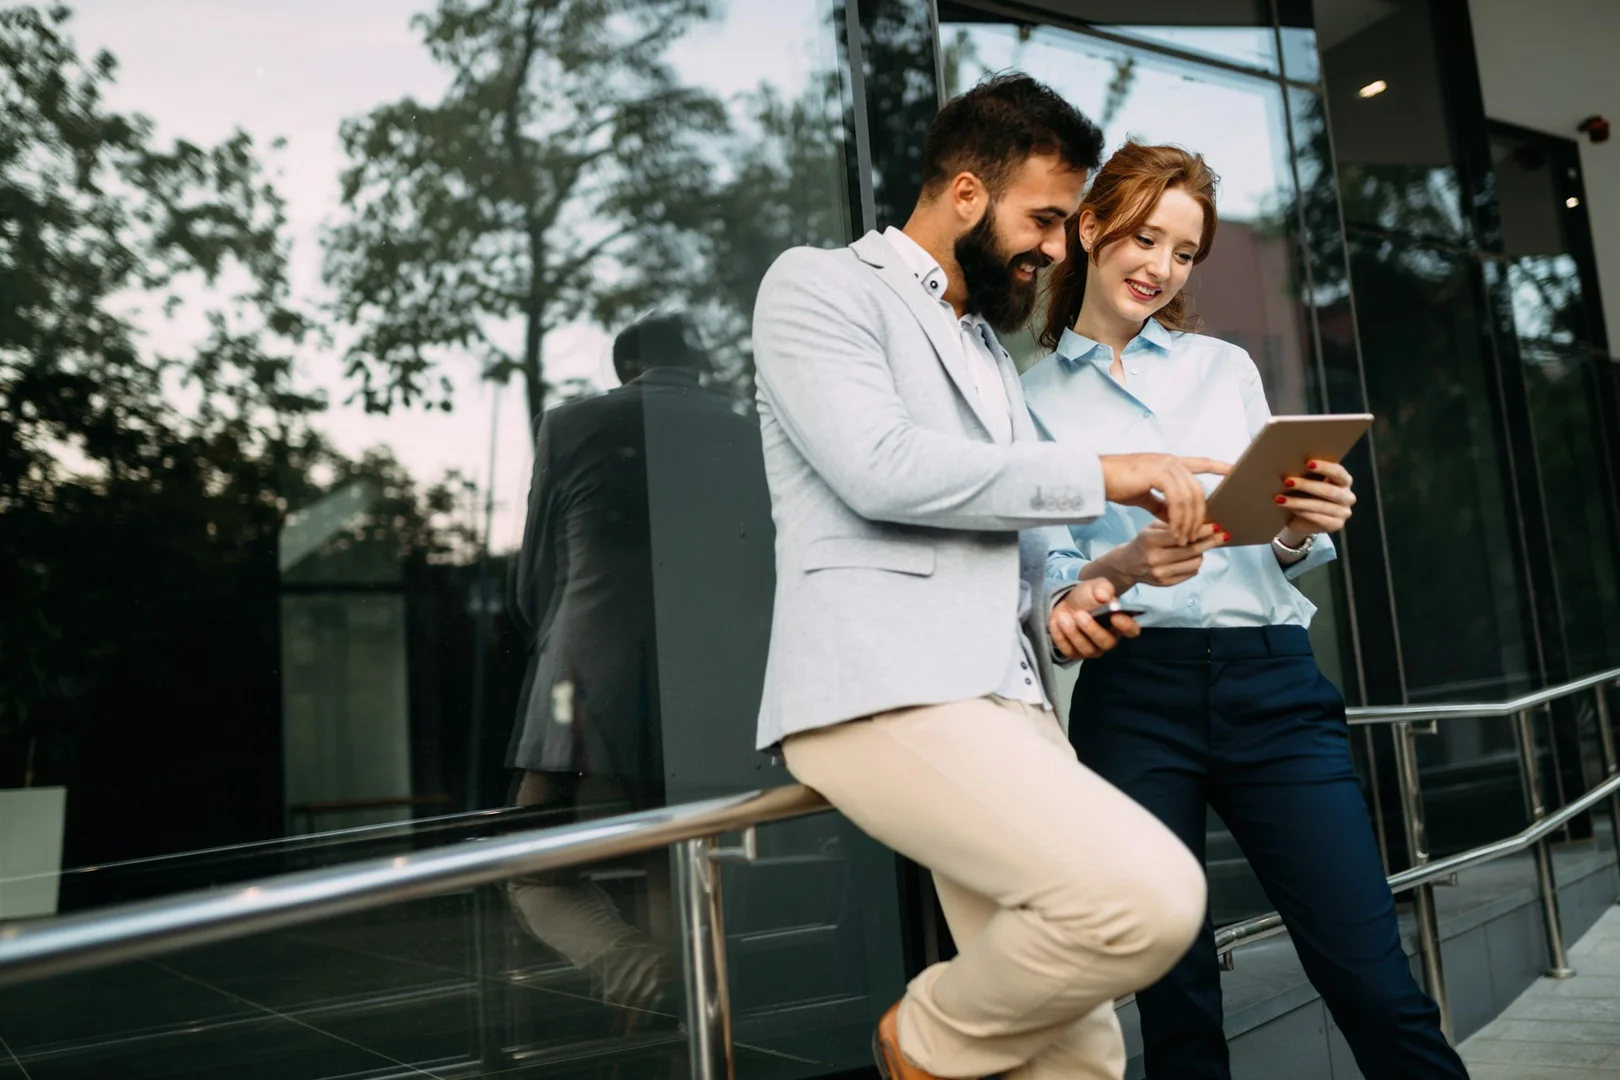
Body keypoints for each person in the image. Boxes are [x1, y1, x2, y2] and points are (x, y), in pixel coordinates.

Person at [751, 75, 1230, 1080]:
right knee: (1146, 902)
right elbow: (880, 468)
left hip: (1005, 704)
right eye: (1046, 220)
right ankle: (920, 1041)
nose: (1059, 249)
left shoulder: (983, 353)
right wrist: (1105, 470)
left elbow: (1014, 559)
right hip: (884, 694)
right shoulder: (819, 286)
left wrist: (1105, 576)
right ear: (967, 194)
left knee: (1082, 1055)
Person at [1021, 141, 1470, 1080]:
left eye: (1184, 253)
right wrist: (1127, 563)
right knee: (1173, 994)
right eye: (1146, 237)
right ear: (1093, 225)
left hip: (1273, 682)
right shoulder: (1023, 401)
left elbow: (1273, 542)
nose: (1161, 268)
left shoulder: (1223, 370)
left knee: (1370, 976)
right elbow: (1052, 578)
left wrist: (1307, 527)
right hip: (1133, 694)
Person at [505, 312, 759, 1032]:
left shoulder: (569, 426)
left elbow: (533, 585)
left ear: (625, 367)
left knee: (531, 860)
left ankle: (632, 969)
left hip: (589, 679)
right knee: (678, 867)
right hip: (719, 685)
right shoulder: (745, 431)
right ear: (700, 366)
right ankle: (691, 1028)